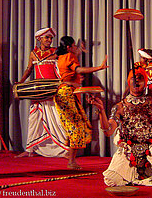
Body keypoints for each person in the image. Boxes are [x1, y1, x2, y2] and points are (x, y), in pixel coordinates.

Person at [88, 67, 152, 186]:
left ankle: (146, 174)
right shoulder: (120, 106)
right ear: (128, 82)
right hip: (128, 150)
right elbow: (108, 131)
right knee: (111, 180)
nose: (136, 81)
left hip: (150, 148)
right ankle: (136, 175)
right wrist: (101, 111)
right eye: (133, 78)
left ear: (145, 82)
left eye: (140, 78)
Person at [54, 36, 108, 169]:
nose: (76, 49)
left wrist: (79, 50)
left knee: (79, 124)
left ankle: (69, 155)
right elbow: (78, 70)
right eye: (74, 46)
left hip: (65, 93)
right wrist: (99, 68)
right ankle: (71, 161)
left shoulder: (62, 57)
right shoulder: (68, 57)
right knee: (76, 126)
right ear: (68, 48)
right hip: (66, 94)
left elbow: (71, 65)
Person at [15, 28, 69, 158]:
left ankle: (66, 150)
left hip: (53, 91)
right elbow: (29, 69)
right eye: (47, 38)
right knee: (34, 119)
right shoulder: (34, 53)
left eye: (51, 38)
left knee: (57, 119)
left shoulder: (56, 52)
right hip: (39, 91)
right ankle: (30, 149)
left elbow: (67, 64)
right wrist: (21, 83)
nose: (49, 40)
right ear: (39, 39)